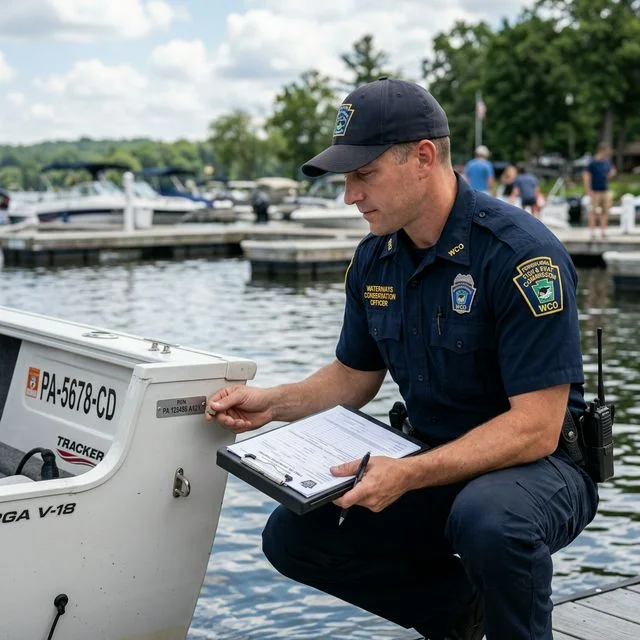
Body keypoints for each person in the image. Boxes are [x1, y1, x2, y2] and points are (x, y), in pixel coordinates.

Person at [206, 78, 598, 640]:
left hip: (537, 470)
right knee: (296, 537)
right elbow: (353, 378)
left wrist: (406, 475)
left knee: (488, 522)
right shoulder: (375, 260)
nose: (350, 196)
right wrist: (268, 404)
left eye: (363, 175)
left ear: (423, 157)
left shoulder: (519, 256)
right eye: (345, 180)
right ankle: (459, 613)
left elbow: (535, 430)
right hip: (433, 459)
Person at [583, 142, 617, 239]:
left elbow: (612, 170)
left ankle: (603, 231)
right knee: (593, 211)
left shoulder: (607, 162)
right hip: (595, 190)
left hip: (605, 190)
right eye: (606, 151)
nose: (607, 153)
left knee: (605, 211)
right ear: (601, 150)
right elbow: (586, 176)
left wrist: (611, 174)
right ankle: (592, 232)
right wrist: (588, 190)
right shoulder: (592, 163)